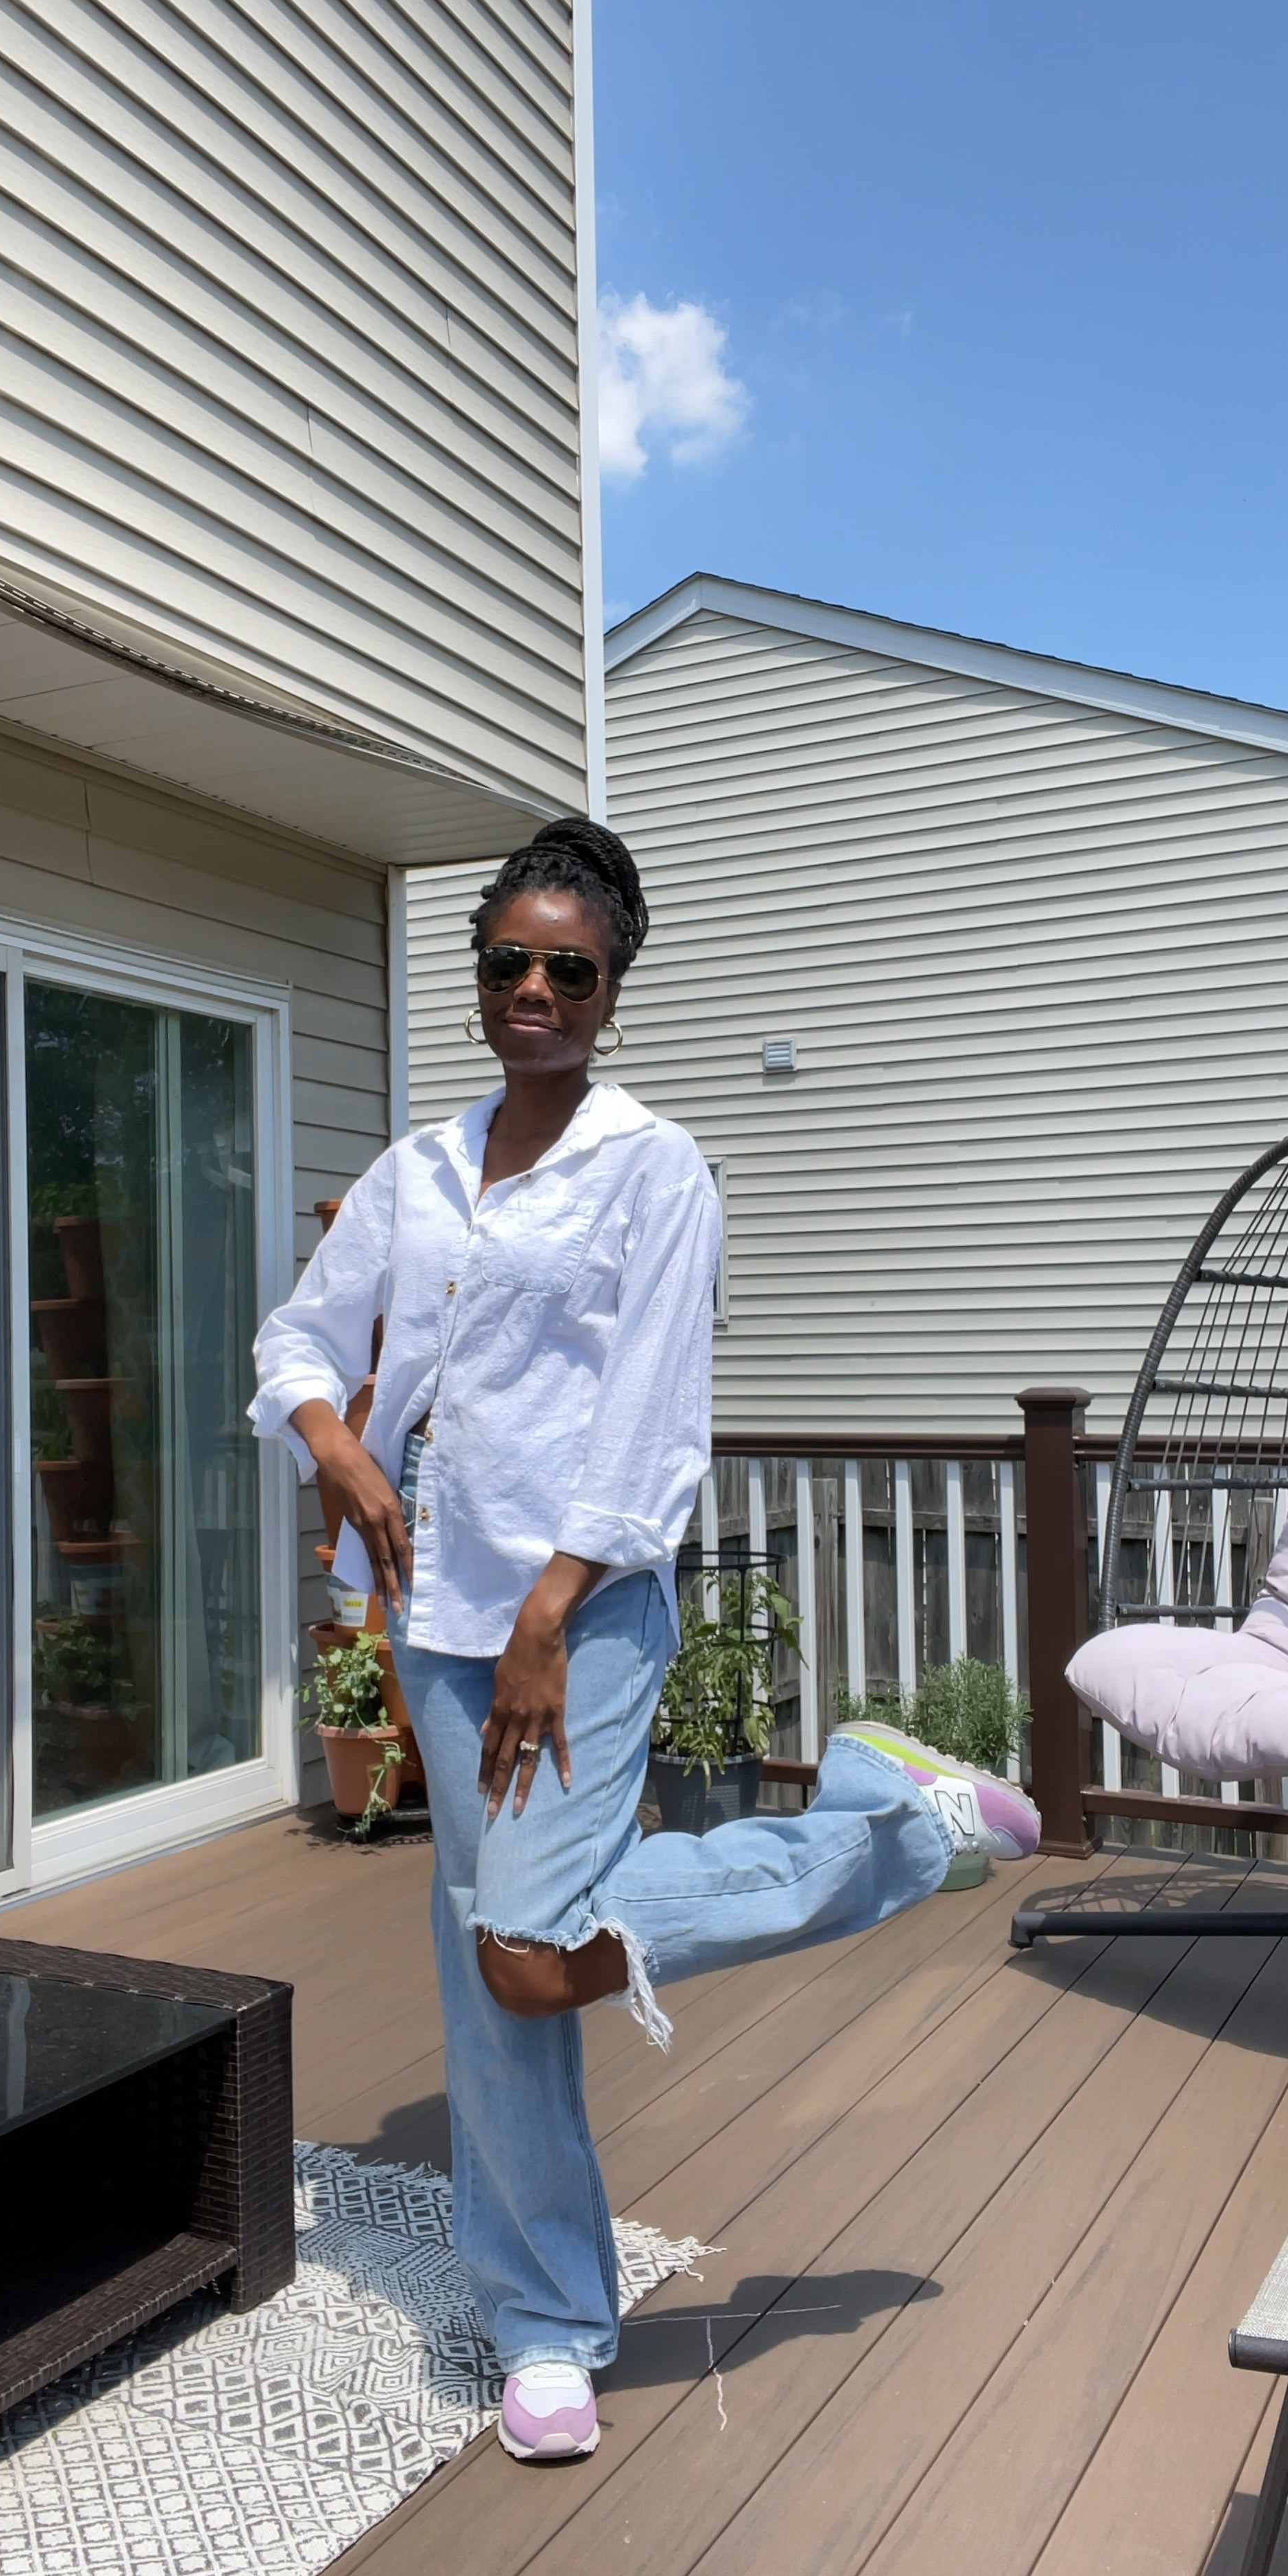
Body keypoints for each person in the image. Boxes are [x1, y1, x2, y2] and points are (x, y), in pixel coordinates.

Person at [250, 816, 1039, 2465]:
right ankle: (542, 2320)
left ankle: (893, 1823)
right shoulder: (418, 1170)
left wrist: (550, 1610)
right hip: (434, 1620)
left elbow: (655, 1420)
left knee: (531, 1952)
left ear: (611, 989)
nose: (532, 988)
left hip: (581, 1613)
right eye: (506, 964)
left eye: (568, 968)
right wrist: (335, 1445)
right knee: (493, 1978)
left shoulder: (654, 1166)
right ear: (480, 976)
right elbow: (296, 1340)